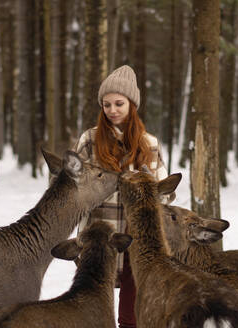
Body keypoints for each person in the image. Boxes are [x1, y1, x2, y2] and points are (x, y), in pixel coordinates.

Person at [73, 65, 171, 328]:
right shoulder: (89, 140)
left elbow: (165, 191)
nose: (112, 110)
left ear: (132, 104)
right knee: (95, 309)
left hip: (135, 239)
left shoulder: (148, 143)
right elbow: (69, 184)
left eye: (119, 103)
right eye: (107, 105)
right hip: (99, 237)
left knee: (131, 315)